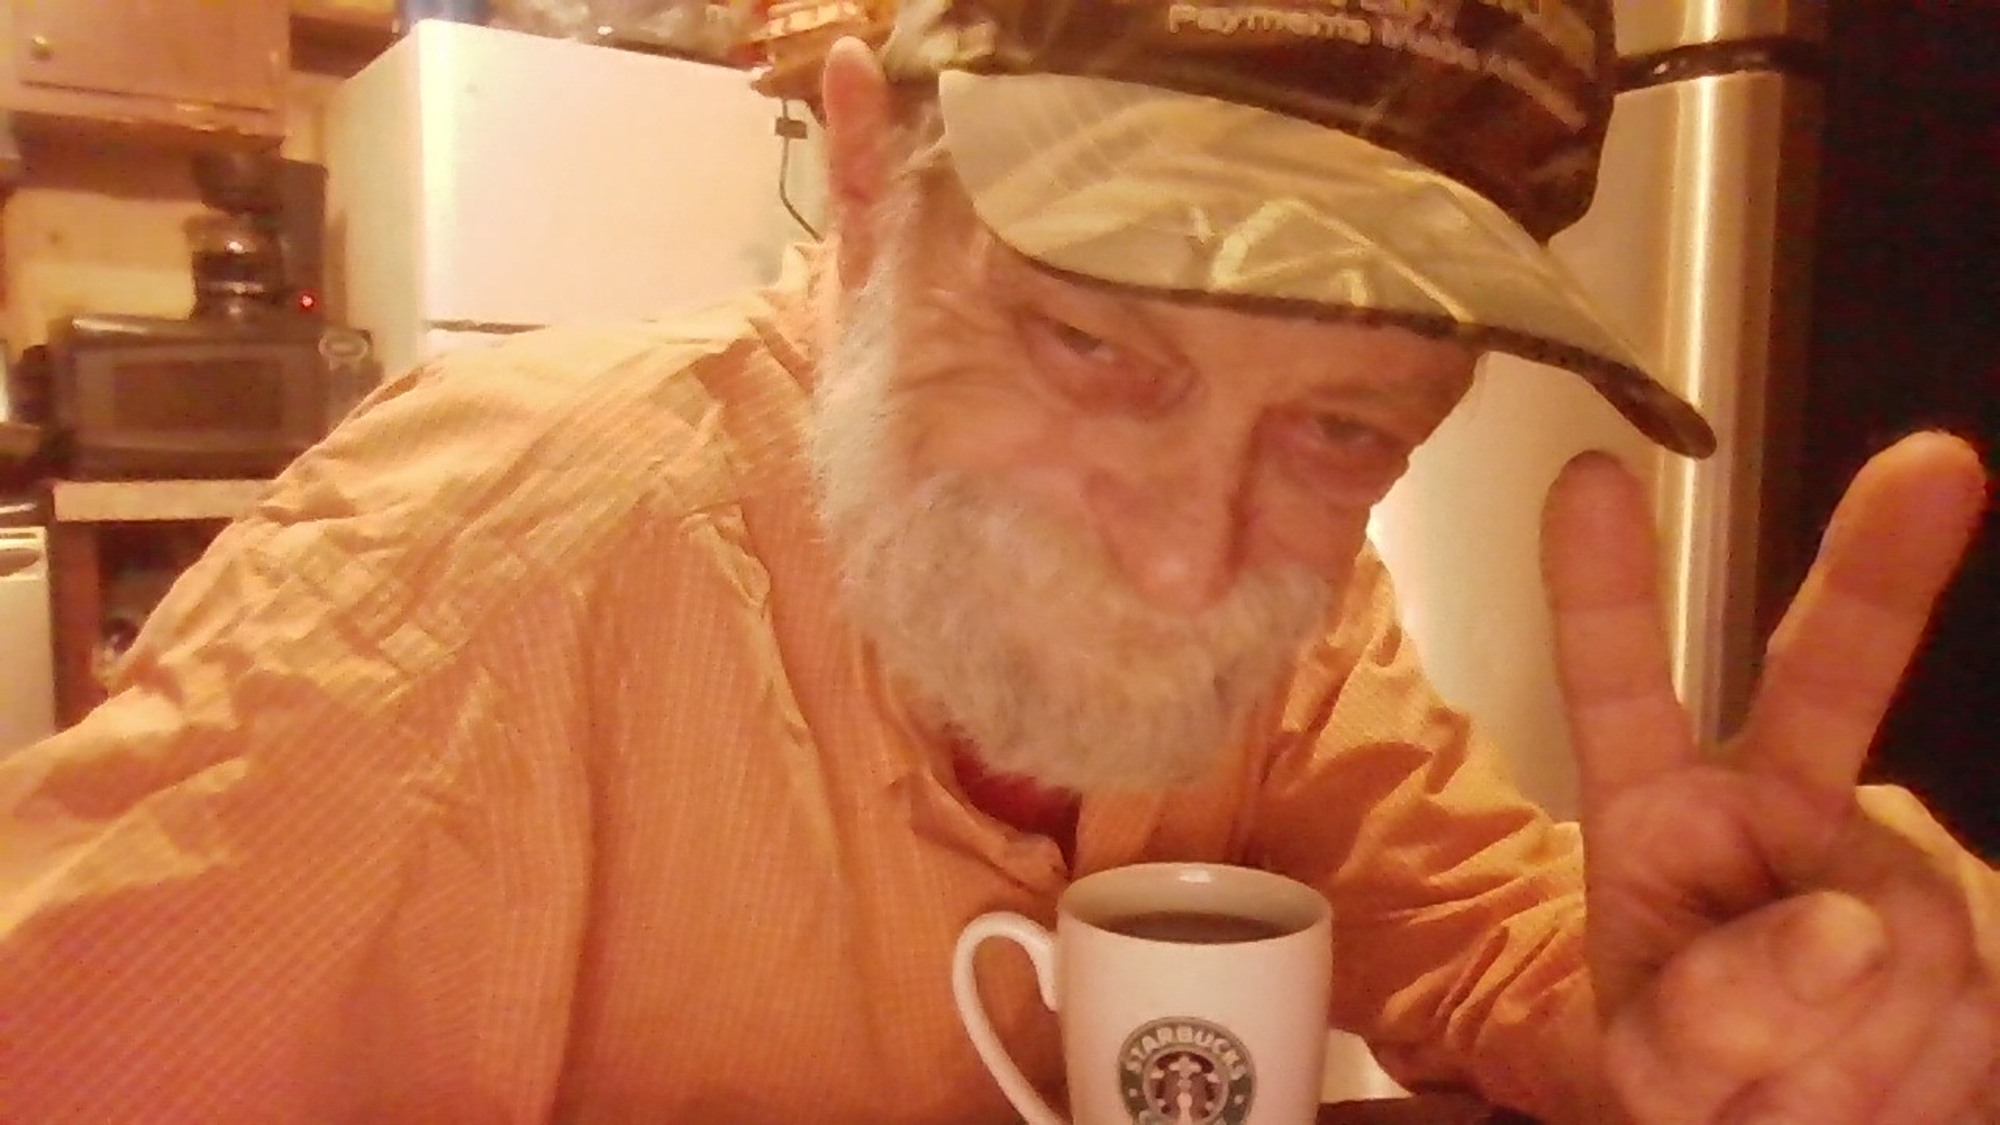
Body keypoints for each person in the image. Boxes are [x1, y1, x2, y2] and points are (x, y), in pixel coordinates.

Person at [2, 2, 1994, 1122]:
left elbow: (1480, 917)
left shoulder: (1295, 612)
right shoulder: (454, 604)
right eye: (1095, 347)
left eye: (1342, 428)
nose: (1190, 563)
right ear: (871, 173)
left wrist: (1725, 990)